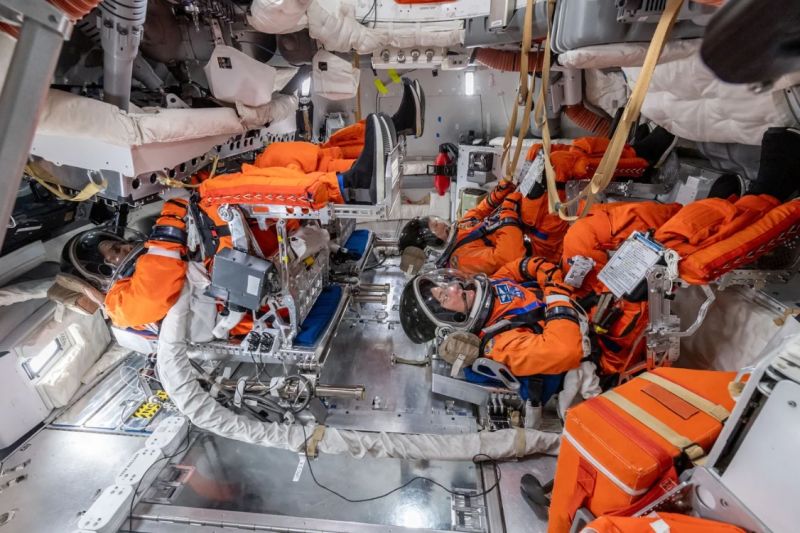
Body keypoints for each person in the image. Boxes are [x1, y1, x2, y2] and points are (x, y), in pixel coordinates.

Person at [399, 256, 590, 378]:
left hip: (573, 297)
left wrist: (551, 279)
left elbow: (521, 266)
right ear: (451, 320)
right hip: (598, 333)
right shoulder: (500, 343)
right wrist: (556, 295)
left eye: (444, 287)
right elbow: (565, 350)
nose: (455, 287)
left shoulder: (489, 285)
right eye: (445, 296)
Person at [252, 77, 424, 174]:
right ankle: (400, 125)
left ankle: (399, 124)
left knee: (342, 141)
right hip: (314, 170)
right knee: (352, 161)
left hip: (309, 158)